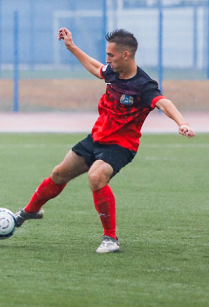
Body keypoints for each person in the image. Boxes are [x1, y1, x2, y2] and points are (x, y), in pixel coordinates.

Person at [13, 28, 194, 253]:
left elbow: (163, 102)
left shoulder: (143, 85)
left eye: (111, 55)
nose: (107, 60)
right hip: (97, 137)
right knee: (59, 174)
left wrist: (181, 122)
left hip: (121, 146)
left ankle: (111, 239)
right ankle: (30, 211)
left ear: (126, 55)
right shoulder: (112, 72)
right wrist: (71, 47)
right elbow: (96, 68)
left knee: (96, 176)